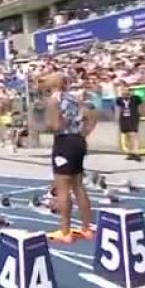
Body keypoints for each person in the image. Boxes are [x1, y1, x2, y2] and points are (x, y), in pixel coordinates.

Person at [43, 73, 97, 243]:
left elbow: (55, 125)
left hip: (64, 142)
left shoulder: (54, 100)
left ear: (55, 82)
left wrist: (50, 125)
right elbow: (92, 116)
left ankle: (65, 231)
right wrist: (83, 133)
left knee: (63, 187)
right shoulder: (74, 98)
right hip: (78, 141)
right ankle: (87, 227)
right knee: (78, 185)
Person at [116, 84, 143, 161]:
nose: (125, 93)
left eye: (127, 91)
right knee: (127, 135)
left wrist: (131, 94)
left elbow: (140, 101)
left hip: (133, 118)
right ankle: (131, 152)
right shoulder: (120, 100)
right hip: (124, 118)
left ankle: (136, 152)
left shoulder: (135, 98)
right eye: (124, 91)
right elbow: (118, 101)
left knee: (133, 134)